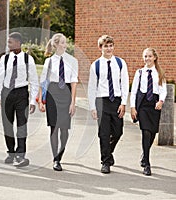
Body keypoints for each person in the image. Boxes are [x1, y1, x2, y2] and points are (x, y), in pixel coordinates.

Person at [0, 32, 39, 167]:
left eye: (10, 42)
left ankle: (21, 155)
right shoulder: (5, 59)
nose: (8, 45)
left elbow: (34, 81)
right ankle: (11, 152)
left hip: (21, 94)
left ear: (18, 43)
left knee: (21, 125)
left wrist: (32, 101)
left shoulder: (28, 59)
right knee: (7, 125)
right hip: (6, 93)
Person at [87, 35, 129, 174]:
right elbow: (92, 87)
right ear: (101, 48)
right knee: (104, 134)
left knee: (118, 132)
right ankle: (105, 161)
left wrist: (123, 103)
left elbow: (124, 84)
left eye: (111, 46)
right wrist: (93, 107)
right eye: (106, 46)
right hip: (102, 101)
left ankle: (108, 152)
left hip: (116, 101)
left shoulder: (120, 63)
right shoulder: (96, 65)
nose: (109, 48)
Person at [38, 33, 78, 171]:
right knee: (54, 128)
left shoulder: (72, 61)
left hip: (66, 94)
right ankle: (56, 159)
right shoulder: (49, 61)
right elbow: (43, 81)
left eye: (65, 42)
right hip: (52, 94)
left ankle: (60, 154)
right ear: (55, 45)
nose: (65, 45)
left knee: (64, 129)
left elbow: (73, 83)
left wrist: (73, 102)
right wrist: (40, 101)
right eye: (62, 42)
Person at [130, 48, 167, 176]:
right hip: (143, 105)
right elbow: (134, 91)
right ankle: (147, 163)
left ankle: (144, 154)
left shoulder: (160, 73)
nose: (147, 59)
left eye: (149, 56)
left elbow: (163, 89)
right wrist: (133, 107)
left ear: (154, 57)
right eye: (145, 56)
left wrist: (161, 101)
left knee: (152, 133)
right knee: (145, 132)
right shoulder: (139, 72)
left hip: (155, 105)